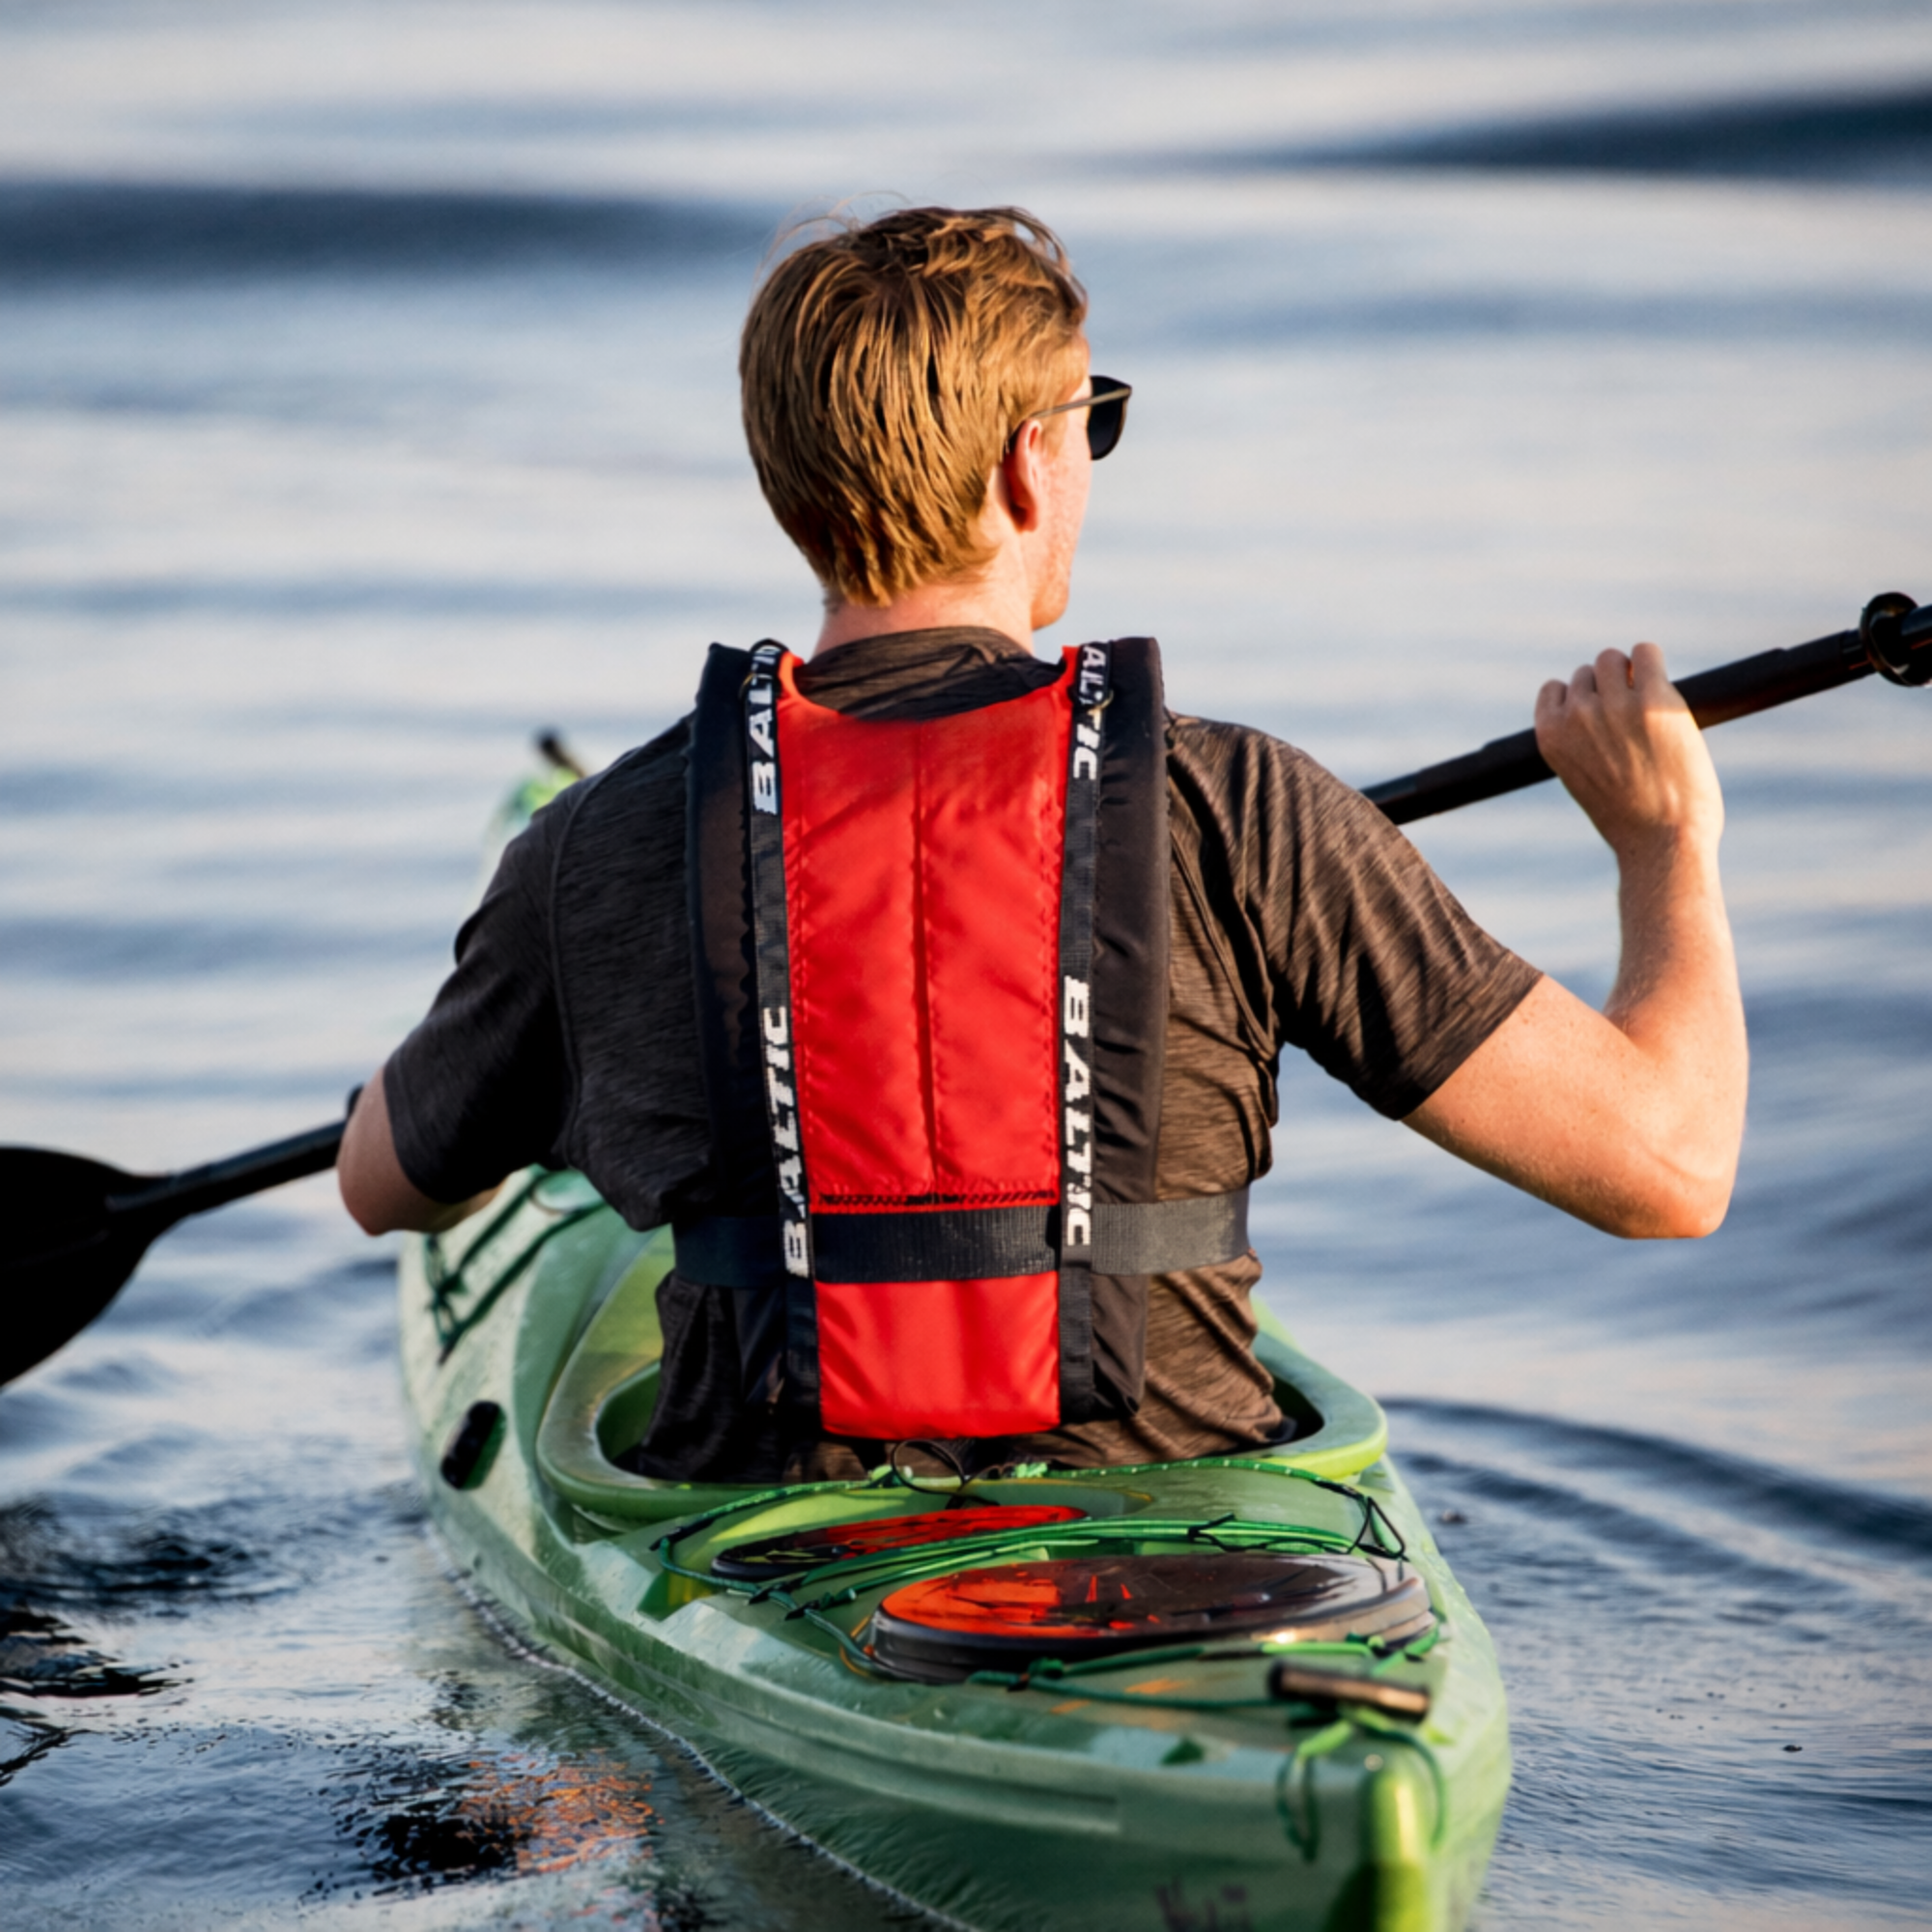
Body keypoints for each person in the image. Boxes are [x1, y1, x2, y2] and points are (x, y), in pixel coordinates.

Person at [338, 205, 1747, 1482]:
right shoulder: (1240, 808)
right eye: (1095, 422)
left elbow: (383, 1183)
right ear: (1028, 466)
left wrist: (546, 1054)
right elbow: (1668, 1171)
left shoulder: (598, 847)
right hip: (1187, 1558)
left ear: (785, 489)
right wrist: (1662, 838)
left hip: (772, 1548)